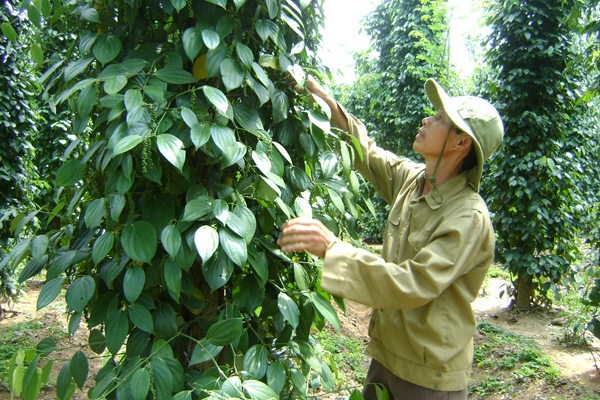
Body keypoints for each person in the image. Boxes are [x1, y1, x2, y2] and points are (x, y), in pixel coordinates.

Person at [277, 76, 504, 399]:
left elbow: (413, 282)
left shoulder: (468, 217)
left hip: (427, 377)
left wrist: (333, 249)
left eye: (439, 118)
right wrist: (321, 99)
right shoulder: (413, 180)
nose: (426, 119)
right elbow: (365, 151)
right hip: (386, 355)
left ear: (460, 143)